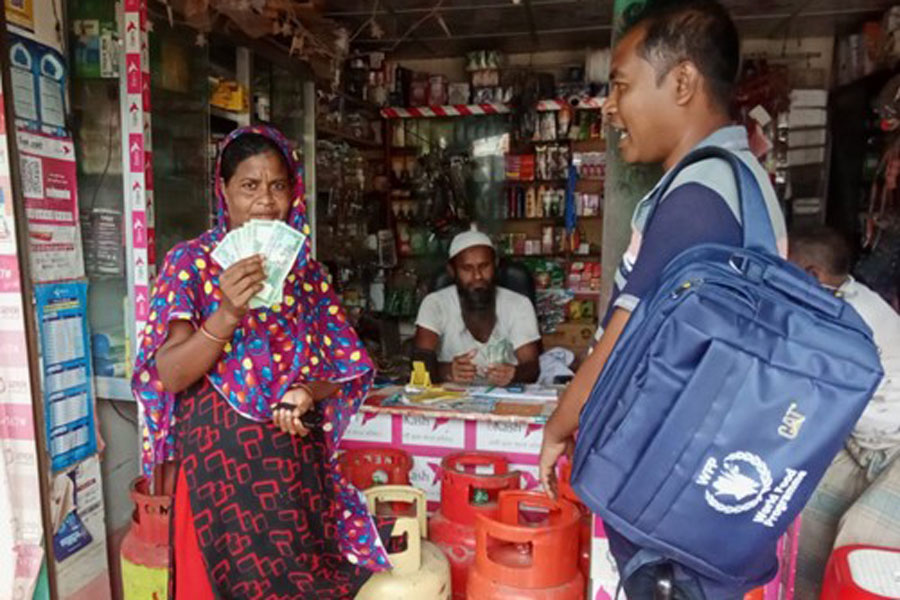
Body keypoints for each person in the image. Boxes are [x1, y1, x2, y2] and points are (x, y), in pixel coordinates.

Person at [537, 1, 787, 597]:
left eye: (622, 85)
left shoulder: (699, 197)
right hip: (699, 493)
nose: (610, 107)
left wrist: (561, 423)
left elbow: (624, 340)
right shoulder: (737, 180)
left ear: (681, 82)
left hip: (676, 503)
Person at [132, 126, 392, 599]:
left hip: (292, 472)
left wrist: (307, 391)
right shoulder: (190, 263)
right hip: (217, 473)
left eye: (278, 186)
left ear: (293, 192)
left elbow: (344, 365)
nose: (266, 202)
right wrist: (228, 313)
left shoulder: (305, 274)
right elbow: (171, 373)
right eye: (249, 186)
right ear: (224, 191)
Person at [789, 227, 900, 599]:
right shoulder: (838, 300)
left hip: (894, 447)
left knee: (860, 541)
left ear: (811, 274)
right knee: (805, 516)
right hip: (861, 443)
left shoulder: (850, 316)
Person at [413, 229, 541, 386]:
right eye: (467, 269)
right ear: (452, 271)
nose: (477, 276)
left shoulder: (519, 304)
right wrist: (447, 371)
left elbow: (532, 367)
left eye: (484, 266)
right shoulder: (435, 304)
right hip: (452, 395)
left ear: (495, 265)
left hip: (505, 394)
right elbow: (419, 362)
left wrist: (514, 374)